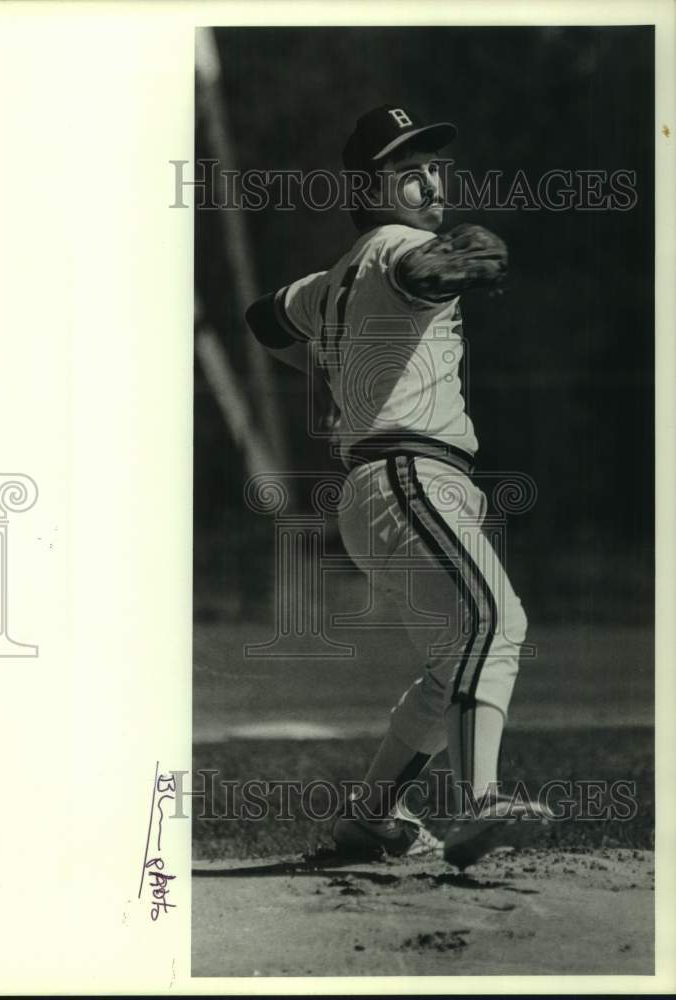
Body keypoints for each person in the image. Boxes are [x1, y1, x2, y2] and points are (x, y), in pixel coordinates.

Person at [245, 104, 550, 869]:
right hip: (411, 474)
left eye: (434, 165)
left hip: (377, 491)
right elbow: (422, 268)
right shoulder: (401, 246)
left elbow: (261, 318)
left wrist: (334, 368)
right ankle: (479, 802)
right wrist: (453, 261)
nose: (430, 179)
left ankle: (371, 819)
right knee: (496, 621)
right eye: (407, 168)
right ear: (371, 186)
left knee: (453, 662)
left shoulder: (331, 280)